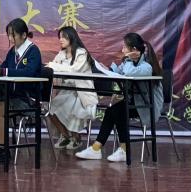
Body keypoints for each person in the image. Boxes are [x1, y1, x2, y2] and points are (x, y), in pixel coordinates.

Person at [75, 32, 163, 163]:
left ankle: (116, 149)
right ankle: (101, 148)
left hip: (147, 107)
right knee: (114, 110)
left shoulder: (146, 66)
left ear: (134, 49)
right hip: (134, 104)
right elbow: (118, 72)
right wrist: (106, 70)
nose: (122, 50)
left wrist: (128, 59)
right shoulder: (129, 62)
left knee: (118, 110)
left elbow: (128, 72)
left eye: (125, 47)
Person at [0, 18, 43, 165]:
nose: (10, 38)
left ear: (24, 35)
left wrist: (5, 71)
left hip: (27, 99)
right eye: (8, 34)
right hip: (11, 96)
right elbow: (4, 66)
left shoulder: (33, 51)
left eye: (13, 35)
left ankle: (5, 149)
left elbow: (29, 72)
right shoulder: (12, 51)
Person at [46, 26, 98, 149]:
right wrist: (52, 66)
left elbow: (73, 70)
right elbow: (52, 66)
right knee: (49, 109)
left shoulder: (82, 53)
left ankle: (76, 138)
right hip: (66, 91)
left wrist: (54, 66)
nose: (61, 40)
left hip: (82, 93)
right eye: (59, 37)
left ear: (72, 37)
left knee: (73, 105)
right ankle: (65, 136)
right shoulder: (61, 54)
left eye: (63, 37)